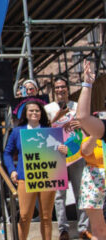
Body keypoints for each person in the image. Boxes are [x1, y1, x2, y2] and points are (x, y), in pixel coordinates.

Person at [3, 98, 66, 240]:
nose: (34, 113)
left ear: (41, 113)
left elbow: (60, 151)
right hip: (25, 178)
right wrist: (12, 170)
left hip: (47, 177)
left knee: (46, 216)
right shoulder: (17, 131)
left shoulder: (49, 131)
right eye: (31, 110)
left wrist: (64, 150)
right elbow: (7, 153)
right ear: (25, 113)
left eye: (37, 110)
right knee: (24, 216)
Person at [44, 75, 90, 240]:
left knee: (80, 191)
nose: (60, 90)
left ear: (67, 88)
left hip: (76, 153)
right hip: (57, 154)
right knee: (59, 195)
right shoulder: (48, 108)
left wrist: (82, 124)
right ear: (54, 90)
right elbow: (45, 130)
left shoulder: (77, 106)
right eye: (57, 87)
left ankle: (83, 227)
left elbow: (88, 126)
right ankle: (63, 229)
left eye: (63, 86)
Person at [75, 61, 106, 239]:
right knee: (99, 230)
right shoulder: (94, 135)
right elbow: (83, 117)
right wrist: (87, 84)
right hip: (95, 179)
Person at [78, 131, 106, 240]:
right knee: (99, 229)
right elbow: (85, 151)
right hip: (93, 183)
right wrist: (96, 133)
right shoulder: (89, 140)